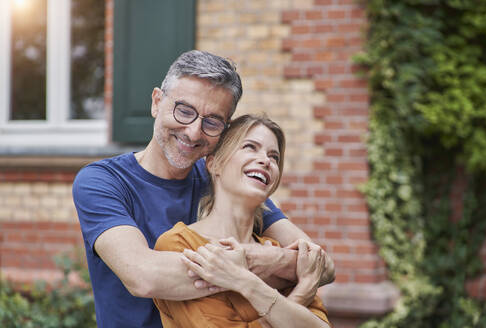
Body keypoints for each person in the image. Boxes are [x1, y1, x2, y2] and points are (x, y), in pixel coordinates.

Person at [72, 50, 335, 328]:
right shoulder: (104, 182)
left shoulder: (225, 180)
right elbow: (143, 276)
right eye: (184, 111)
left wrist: (267, 259)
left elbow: (323, 265)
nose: (194, 131)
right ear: (156, 102)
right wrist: (263, 269)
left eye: (212, 122)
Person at [153, 114, 332, 327]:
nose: (266, 161)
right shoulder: (181, 245)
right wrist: (302, 293)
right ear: (214, 164)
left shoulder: (275, 250)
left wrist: (244, 281)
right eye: (250, 147)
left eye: (274, 157)